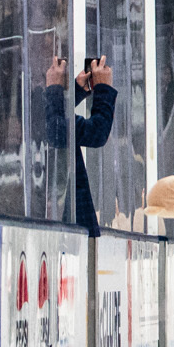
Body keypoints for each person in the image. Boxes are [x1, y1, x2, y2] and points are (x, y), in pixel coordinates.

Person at [45, 54, 115, 237]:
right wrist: (103, 89)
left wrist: (76, 90)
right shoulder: (43, 116)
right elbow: (97, 132)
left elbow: (55, 119)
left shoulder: (35, 112)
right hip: (71, 229)